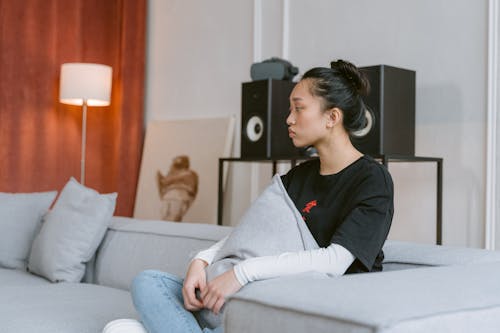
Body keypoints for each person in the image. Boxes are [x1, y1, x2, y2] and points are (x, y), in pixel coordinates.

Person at [130, 59, 394, 333]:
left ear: (332, 117)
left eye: (299, 109)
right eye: (290, 109)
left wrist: (242, 273)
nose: (288, 119)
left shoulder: (372, 180)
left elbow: (335, 261)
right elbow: (250, 234)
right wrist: (201, 261)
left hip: (305, 303)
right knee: (148, 283)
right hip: (257, 290)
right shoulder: (298, 176)